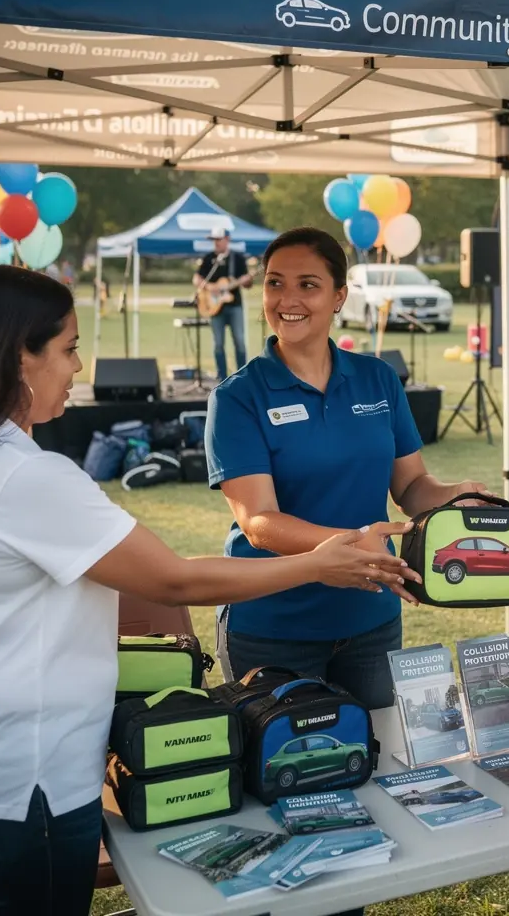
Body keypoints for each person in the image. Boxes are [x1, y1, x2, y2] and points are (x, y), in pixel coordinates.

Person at [0, 266, 416, 916]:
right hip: (27, 780)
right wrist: (318, 562)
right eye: (67, 349)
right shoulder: (25, 477)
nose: (78, 366)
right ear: (15, 359)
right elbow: (174, 578)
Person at [206, 227, 486, 708]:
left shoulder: (377, 379)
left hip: (370, 621)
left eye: (307, 285)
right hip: (273, 627)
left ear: (339, 296)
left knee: (376, 762)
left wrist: (459, 494)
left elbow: (412, 486)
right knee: (281, 774)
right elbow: (258, 523)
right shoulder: (237, 397)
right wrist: (356, 543)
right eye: (275, 283)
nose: (287, 299)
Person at [194, 229, 253, 382]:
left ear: (227, 239)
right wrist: (209, 287)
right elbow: (197, 279)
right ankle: (222, 376)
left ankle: (242, 376)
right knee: (218, 343)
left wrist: (247, 281)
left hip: (234, 305)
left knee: (239, 341)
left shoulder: (237, 258)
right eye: (214, 239)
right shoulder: (208, 258)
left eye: (219, 239)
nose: (216, 242)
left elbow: (247, 283)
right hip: (214, 307)